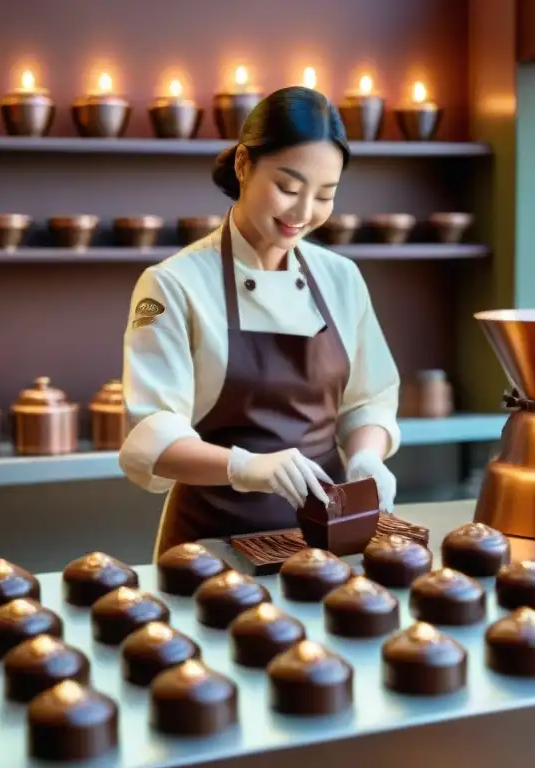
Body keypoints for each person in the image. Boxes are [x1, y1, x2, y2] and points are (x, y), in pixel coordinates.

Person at [118, 86, 401, 558]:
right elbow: (152, 436)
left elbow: (368, 400)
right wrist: (249, 467)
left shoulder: (341, 277)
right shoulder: (172, 283)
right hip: (211, 545)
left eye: (324, 196)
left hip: (326, 544)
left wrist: (367, 455)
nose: (303, 213)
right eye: (288, 188)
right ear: (244, 165)